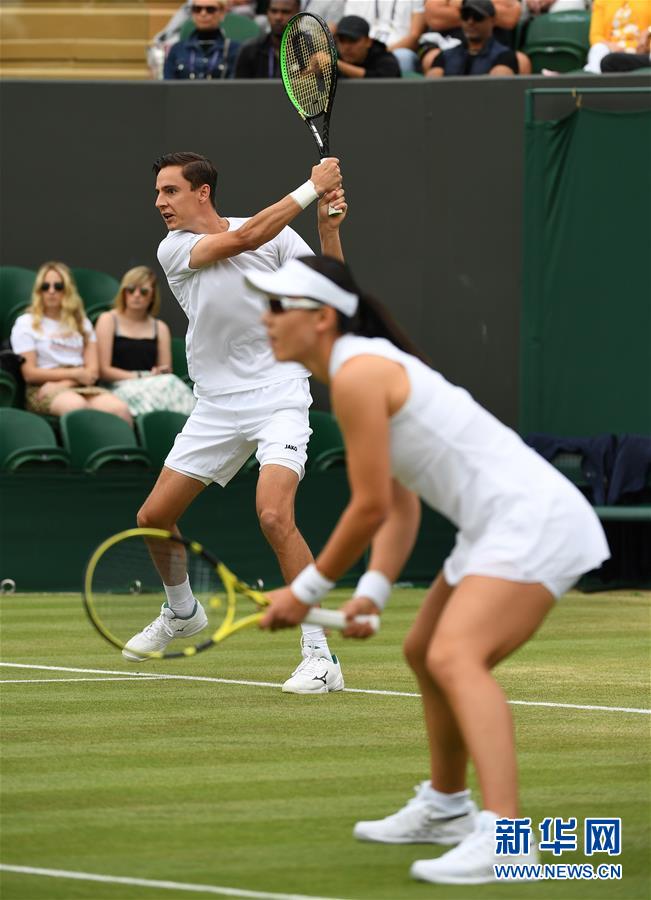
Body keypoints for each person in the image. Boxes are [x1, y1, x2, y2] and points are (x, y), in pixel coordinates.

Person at [246, 255, 610, 884]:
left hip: (534, 520)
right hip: (496, 527)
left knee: (454, 656)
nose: (266, 319)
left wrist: (305, 593)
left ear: (322, 318)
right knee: (422, 650)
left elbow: (368, 507)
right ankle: (447, 807)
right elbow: (399, 504)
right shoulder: (357, 371)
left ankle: (507, 841)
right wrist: (373, 591)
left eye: (278, 306)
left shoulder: (359, 373)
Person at [122, 151, 349, 696]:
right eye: (157, 193)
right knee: (153, 517)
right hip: (217, 405)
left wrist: (327, 228)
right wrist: (310, 188)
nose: (160, 202)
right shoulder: (174, 248)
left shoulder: (274, 233)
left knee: (274, 514)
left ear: (202, 192)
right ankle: (182, 613)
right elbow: (245, 238)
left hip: (279, 394)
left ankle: (321, 656)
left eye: (171, 191)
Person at [10, 262, 131, 423]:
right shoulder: (26, 322)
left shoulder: (82, 323)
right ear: (39, 291)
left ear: (67, 289)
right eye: (45, 286)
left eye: (58, 286)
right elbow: (30, 374)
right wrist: (75, 374)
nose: (51, 291)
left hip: (80, 384)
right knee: (77, 406)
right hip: (43, 387)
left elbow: (92, 371)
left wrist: (67, 382)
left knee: (121, 410)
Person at [95, 266, 195, 417]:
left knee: (170, 383)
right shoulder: (108, 320)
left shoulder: (159, 327)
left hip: (152, 384)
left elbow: (165, 370)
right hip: (116, 387)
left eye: (143, 291)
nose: (136, 295)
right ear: (123, 292)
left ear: (152, 296)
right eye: (130, 290)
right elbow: (104, 371)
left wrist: (158, 373)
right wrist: (142, 376)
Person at [420, 0, 528, 73]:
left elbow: (510, 17)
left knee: (519, 61)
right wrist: (482, 8)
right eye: (465, 15)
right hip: (449, 47)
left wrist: (457, 4)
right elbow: (435, 17)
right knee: (432, 59)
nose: (470, 21)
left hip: (495, 49)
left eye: (477, 16)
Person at [341, 0, 426, 73]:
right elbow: (349, 29)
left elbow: (415, 36)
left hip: (399, 49)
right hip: (364, 50)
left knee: (403, 56)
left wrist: (381, 53)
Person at [164, 1, 240, 80]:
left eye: (210, 9)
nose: (203, 13)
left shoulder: (235, 50)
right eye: (197, 9)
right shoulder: (177, 49)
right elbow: (168, 84)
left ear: (222, 13)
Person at [235, 0, 300, 78]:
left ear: (298, 14)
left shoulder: (310, 50)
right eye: (273, 11)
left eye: (286, 12)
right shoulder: (249, 52)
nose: (278, 17)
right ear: (267, 13)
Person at [584, 3, 651, 72]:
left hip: (643, 50)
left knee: (610, 60)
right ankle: (597, 76)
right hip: (612, 50)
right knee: (598, 49)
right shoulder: (601, 2)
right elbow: (595, 35)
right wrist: (611, 46)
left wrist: (648, 30)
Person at [334, 14, 401, 76]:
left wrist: (336, 64)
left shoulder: (385, 59)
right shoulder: (334, 54)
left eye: (352, 40)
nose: (347, 47)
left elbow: (382, 79)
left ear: (368, 42)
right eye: (342, 40)